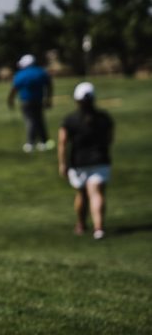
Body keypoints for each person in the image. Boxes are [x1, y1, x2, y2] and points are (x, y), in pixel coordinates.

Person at [58, 82, 114, 240]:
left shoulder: (70, 120)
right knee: (96, 194)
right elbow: (110, 139)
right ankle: (98, 228)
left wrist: (62, 163)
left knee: (82, 194)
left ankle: (81, 225)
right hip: (100, 160)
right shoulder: (104, 118)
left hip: (79, 162)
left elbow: (62, 142)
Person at [7, 54, 54, 153]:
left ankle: (30, 143)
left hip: (26, 101)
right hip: (39, 100)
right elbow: (49, 85)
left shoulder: (21, 74)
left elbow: (14, 88)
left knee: (30, 121)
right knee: (39, 120)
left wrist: (10, 100)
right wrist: (49, 99)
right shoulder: (41, 72)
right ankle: (44, 142)